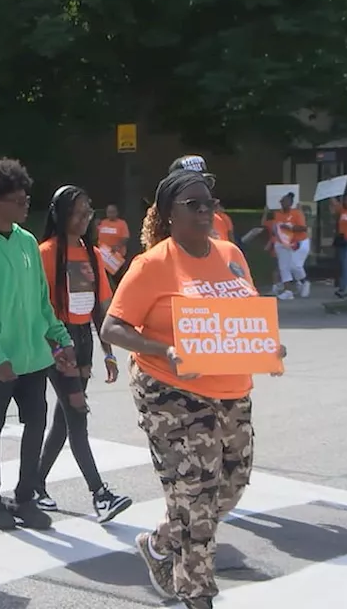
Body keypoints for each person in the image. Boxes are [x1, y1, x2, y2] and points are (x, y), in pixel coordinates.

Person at [99, 167, 286, 609]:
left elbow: (246, 315)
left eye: (210, 204)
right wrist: (164, 351)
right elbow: (112, 327)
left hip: (232, 389)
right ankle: (196, 593)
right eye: (193, 205)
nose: (205, 212)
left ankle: (160, 543)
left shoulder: (231, 255)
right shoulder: (153, 264)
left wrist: (268, 348)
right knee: (195, 496)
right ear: (169, 213)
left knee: (232, 484)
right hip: (170, 392)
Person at [0, 157, 78, 531]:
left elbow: (42, 302)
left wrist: (60, 340)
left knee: (35, 424)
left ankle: (25, 496)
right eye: (19, 199)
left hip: (33, 358)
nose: (27, 204)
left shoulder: (28, 241)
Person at [35, 185, 133, 523]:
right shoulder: (46, 252)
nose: (84, 218)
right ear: (60, 214)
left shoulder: (91, 253)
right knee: (77, 415)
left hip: (85, 342)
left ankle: (34, 484)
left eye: (87, 212)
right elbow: (39, 306)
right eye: (77, 212)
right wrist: (56, 346)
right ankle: (100, 494)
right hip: (58, 341)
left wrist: (109, 353)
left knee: (64, 420)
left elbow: (102, 309)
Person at [263, 192, 309, 300]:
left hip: (297, 242)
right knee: (283, 267)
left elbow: (303, 228)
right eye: (282, 201)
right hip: (282, 243)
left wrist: (289, 227)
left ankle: (304, 281)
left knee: (295, 266)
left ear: (291, 203)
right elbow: (275, 228)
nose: (283, 204)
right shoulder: (277, 214)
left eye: (285, 201)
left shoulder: (297, 213)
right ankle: (288, 291)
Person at [96, 204, 131, 283]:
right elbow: (96, 235)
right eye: (109, 212)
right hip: (104, 256)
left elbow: (125, 237)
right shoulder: (102, 223)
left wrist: (117, 246)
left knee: (117, 279)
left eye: (112, 212)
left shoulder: (122, 223)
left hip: (116, 256)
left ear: (116, 213)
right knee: (103, 278)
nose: (110, 214)